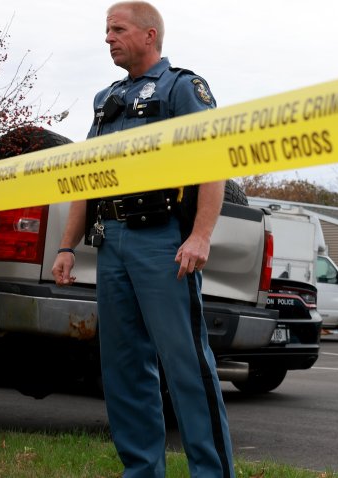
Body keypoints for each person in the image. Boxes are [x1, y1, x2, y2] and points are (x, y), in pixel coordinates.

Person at [51, 2, 233, 476]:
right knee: (124, 369)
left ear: (150, 35)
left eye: (118, 28)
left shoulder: (181, 88)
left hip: (163, 243)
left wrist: (200, 235)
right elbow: (85, 179)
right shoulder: (104, 99)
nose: (108, 37)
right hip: (112, 244)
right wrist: (67, 246)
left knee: (186, 366)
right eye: (106, 30)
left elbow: (213, 161)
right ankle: (141, 471)